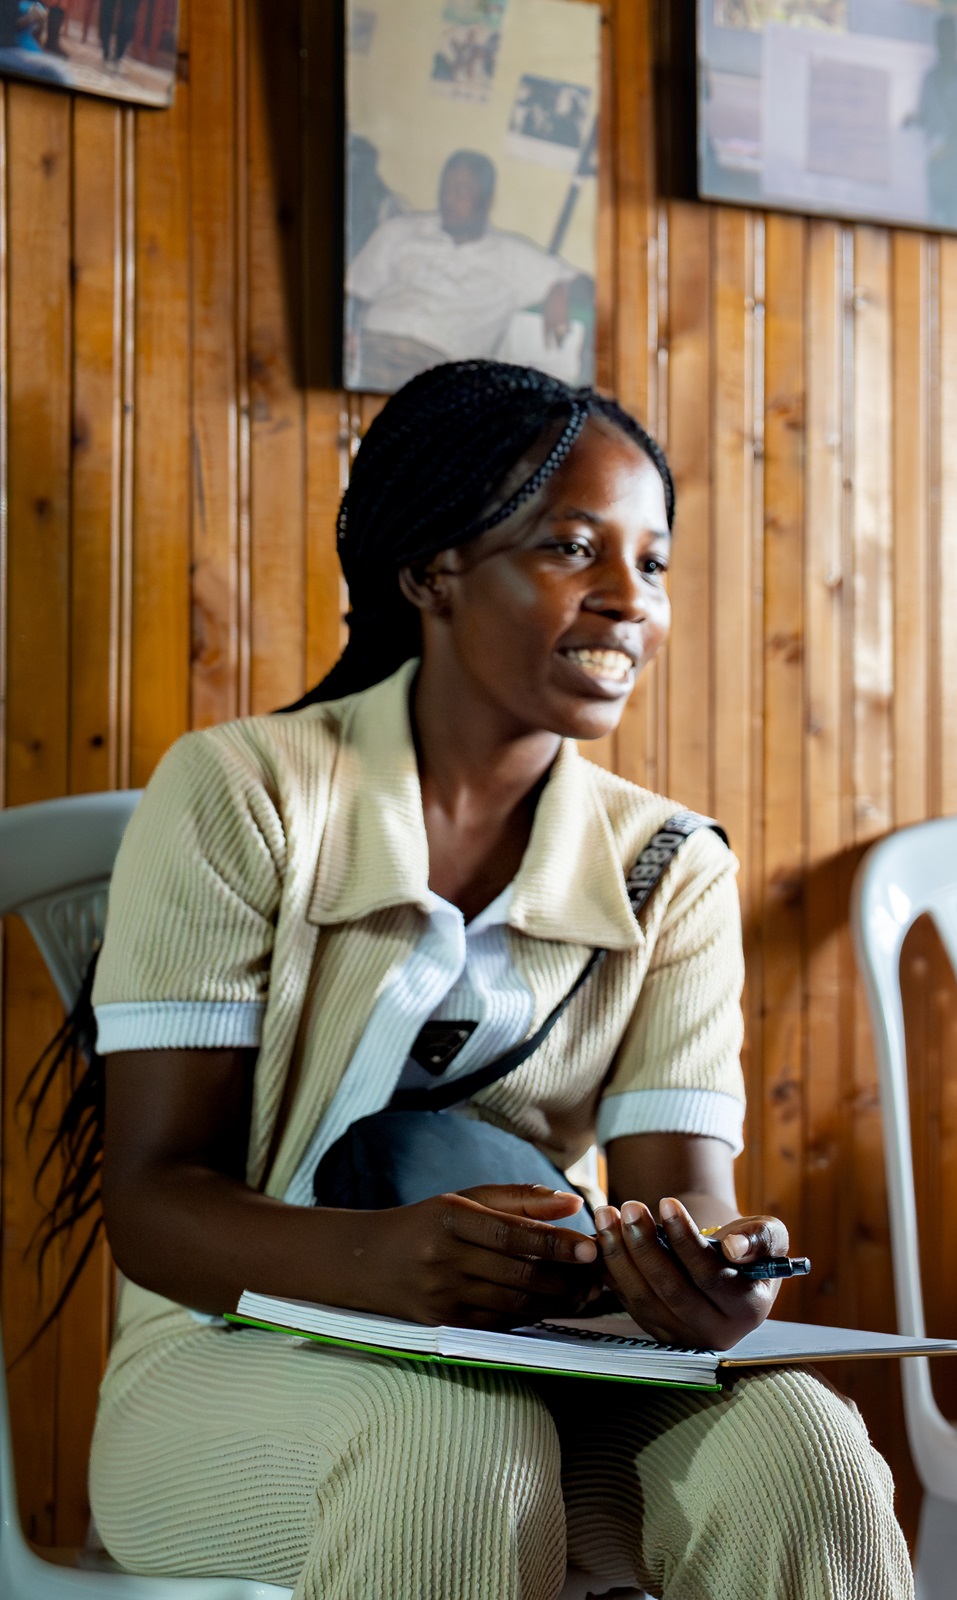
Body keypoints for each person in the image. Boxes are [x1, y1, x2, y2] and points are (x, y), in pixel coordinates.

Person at [66, 361, 912, 1599]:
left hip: (545, 1370)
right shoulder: (244, 792)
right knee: (452, 1443)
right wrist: (378, 1263)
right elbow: (150, 1205)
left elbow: (687, 1194)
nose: (629, 600)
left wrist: (715, 1282)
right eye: (575, 548)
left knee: (807, 1449)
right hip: (228, 1361)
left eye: (654, 563)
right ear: (432, 573)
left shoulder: (668, 867)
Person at [345, 149, 590, 392]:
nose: (449, 198)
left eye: (462, 190)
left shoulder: (512, 257)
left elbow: (588, 286)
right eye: (446, 188)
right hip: (369, 350)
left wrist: (561, 288)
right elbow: (353, 290)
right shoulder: (399, 231)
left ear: (487, 199)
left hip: (440, 374)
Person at [904, 14, 957, 232]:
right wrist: (912, 121)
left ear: (956, 41)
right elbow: (926, 116)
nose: (945, 43)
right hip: (937, 168)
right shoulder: (929, 80)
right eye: (941, 38)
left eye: (949, 37)